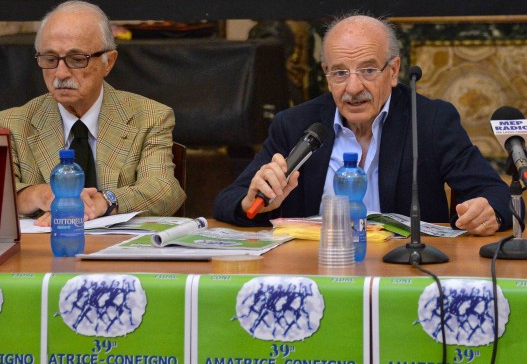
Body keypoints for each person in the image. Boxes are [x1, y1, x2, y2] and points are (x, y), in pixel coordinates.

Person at [213, 14, 511, 236]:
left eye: (368, 70)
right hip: (315, 268)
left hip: (403, 271)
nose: (353, 87)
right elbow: (228, 201)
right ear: (326, 74)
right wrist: (251, 202)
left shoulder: (431, 121)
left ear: (393, 71)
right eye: (340, 73)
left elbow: (496, 194)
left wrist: (488, 212)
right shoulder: (295, 125)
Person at [0, 0, 185, 226]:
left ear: (108, 62)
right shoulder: (10, 125)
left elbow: (164, 189)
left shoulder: (150, 117)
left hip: (119, 246)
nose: (60, 73)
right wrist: (40, 195)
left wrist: (105, 201)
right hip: (47, 244)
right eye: (50, 59)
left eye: (76, 60)